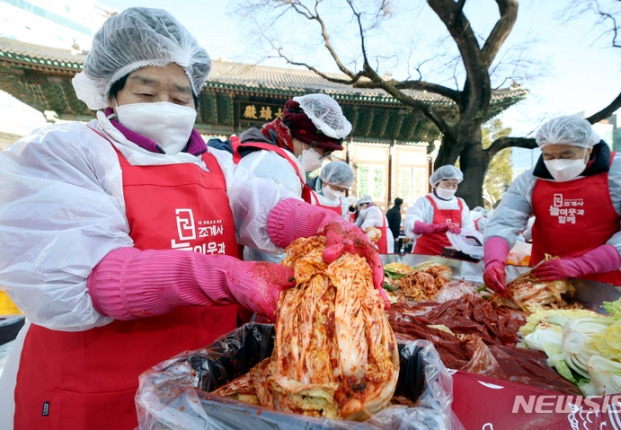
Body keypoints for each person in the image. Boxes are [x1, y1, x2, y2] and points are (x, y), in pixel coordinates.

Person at [0, 8, 386, 430]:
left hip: (202, 390)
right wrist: (225, 276)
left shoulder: (215, 164)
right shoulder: (67, 155)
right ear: (108, 93)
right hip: (98, 392)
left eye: (181, 97)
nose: (166, 107)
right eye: (146, 94)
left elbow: (262, 205)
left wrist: (324, 225)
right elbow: (90, 277)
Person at [483, 115, 621, 294]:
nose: (557, 163)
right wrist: (494, 261)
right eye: (548, 156)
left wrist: (582, 264)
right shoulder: (529, 181)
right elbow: (504, 222)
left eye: (566, 155)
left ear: (589, 149)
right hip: (545, 283)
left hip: (611, 282)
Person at [225, 93, 352, 263]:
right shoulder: (278, 168)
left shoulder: (261, 153)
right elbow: (271, 250)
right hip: (252, 269)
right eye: (324, 152)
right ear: (307, 140)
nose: (321, 161)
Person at [404, 165, 472, 255]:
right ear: (436, 184)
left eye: (454, 185)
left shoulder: (460, 203)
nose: (450, 189)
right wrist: (437, 227)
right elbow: (412, 224)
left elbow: (469, 228)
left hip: (452, 256)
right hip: (425, 254)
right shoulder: (425, 202)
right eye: (447, 185)